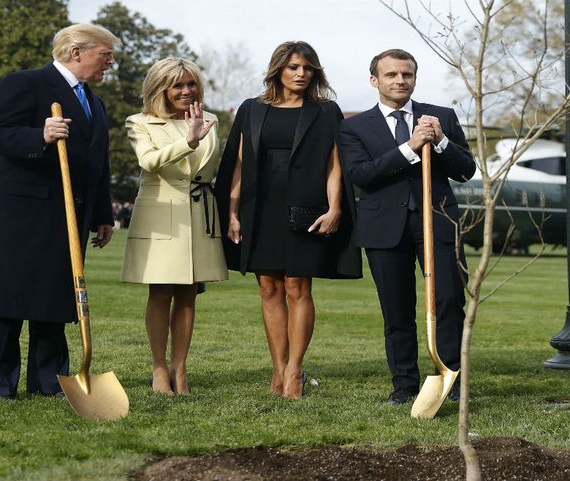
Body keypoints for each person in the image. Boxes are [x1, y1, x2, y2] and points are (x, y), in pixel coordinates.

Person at [0, 24, 119, 400]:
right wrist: (38, 136)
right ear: (77, 52)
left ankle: (50, 381)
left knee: (54, 299)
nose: (110, 62)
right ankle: (0, 385)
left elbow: (98, 162)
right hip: (18, 214)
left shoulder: (94, 102)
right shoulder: (25, 83)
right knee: (4, 300)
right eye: (105, 54)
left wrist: (102, 213)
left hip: (66, 217)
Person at [217, 42, 362, 400]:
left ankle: (295, 369)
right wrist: (232, 212)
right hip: (259, 206)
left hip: (306, 205)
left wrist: (335, 208)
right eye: (294, 67)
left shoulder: (326, 112)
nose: (301, 74)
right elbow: (236, 163)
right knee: (268, 287)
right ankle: (278, 367)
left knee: (298, 285)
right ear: (278, 69)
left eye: (308, 68)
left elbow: (334, 164)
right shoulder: (251, 109)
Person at [337, 49, 476, 405]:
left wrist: (441, 141)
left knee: (448, 301)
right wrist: (410, 147)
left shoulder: (440, 116)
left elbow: (465, 171)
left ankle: (452, 379)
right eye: (391, 75)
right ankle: (404, 386)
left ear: (414, 78)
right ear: (375, 81)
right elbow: (361, 175)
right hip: (385, 227)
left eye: (407, 75)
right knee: (396, 309)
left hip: (438, 222)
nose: (400, 81)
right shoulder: (354, 126)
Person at [121, 58, 228, 395]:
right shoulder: (139, 122)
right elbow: (148, 161)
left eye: (191, 84)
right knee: (160, 292)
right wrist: (189, 141)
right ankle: (157, 369)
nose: (186, 91)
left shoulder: (210, 120)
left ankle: (179, 370)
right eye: (177, 85)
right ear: (161, 89)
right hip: (160, 214)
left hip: (200, 213)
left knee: (188, 294)